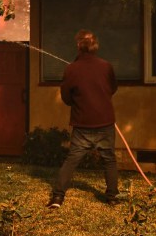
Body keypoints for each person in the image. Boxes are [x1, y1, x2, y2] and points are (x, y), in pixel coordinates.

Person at [48, 29, 122, 208]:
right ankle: (112, 197)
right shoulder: (106, 66)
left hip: (82, 123)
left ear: (78, 46)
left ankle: (57, 197)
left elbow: (66, 98)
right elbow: (113, 88)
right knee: (109, 160)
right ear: (95, 46)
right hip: (105, 122)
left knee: (72, 160)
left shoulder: (71, 69)